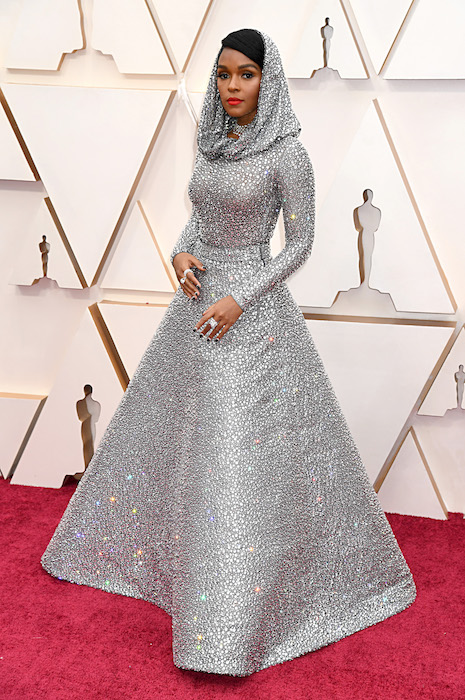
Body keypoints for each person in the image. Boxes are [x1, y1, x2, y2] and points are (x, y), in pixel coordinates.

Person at [41, 28, 416, 677]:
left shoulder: (287, 153)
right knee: (180, 442)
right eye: (223, 74)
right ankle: (182, 571)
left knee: (236, 451)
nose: (232, 86)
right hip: (197, 308)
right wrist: (180, 253)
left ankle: (232, 613)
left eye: (246, 74)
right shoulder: (213, 141)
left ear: (269, 80)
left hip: (249, 312)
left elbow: (298, 244)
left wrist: (241, 297)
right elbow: (199, 218)